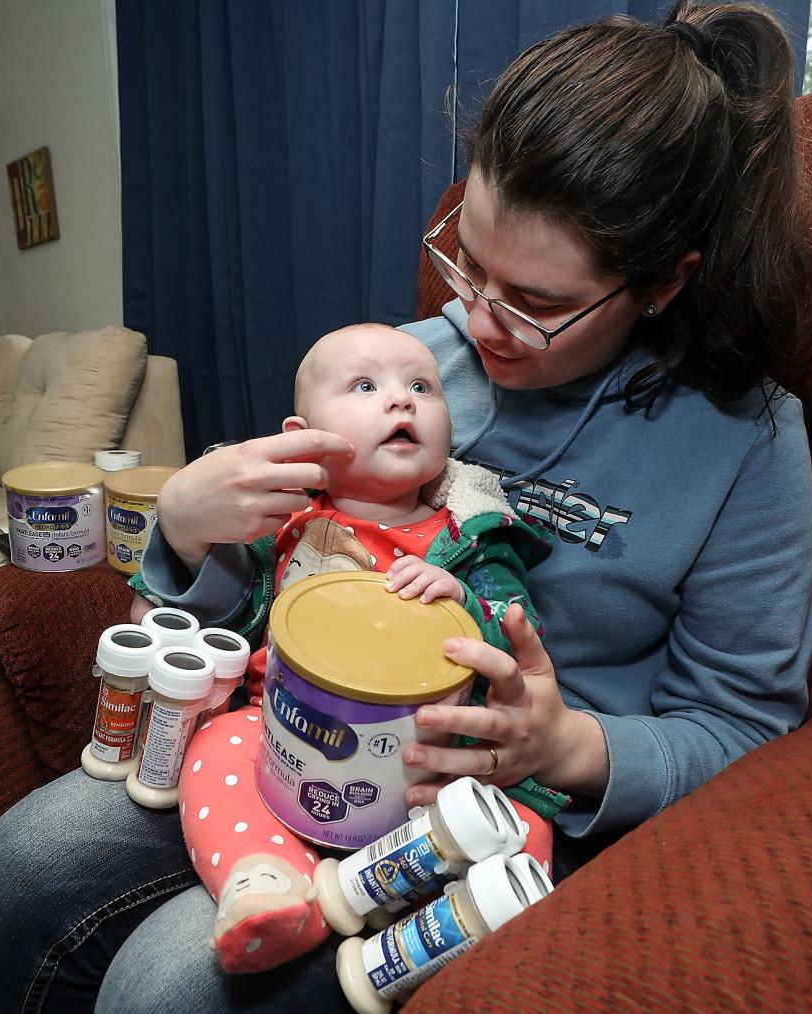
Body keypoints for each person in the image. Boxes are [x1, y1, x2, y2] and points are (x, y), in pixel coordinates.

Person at [0, 3, 812, 1011]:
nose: (475, 324)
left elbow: (747, 731)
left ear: (664, 285)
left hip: (480, 804)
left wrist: (568, 747)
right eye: (469, 261)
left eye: (535, 304)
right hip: (288, 729)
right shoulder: (406, 364)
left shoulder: (742, 437)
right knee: (22, 860)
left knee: (165, 987)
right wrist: (186, 527)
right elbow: (266, 572)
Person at [125, 322, 554, 974]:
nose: (401, 401)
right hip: (285, 741)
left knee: (524, 829)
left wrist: (463, 603)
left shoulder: (474, 536)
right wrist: (189, 542)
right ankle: (270, 889)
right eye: (365, 385)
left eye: (421, 387)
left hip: (425, 764)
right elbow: (226, 621)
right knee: (215, 748)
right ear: (302, 437)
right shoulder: (284, 520)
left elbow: (516, 640)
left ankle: (432, 937)